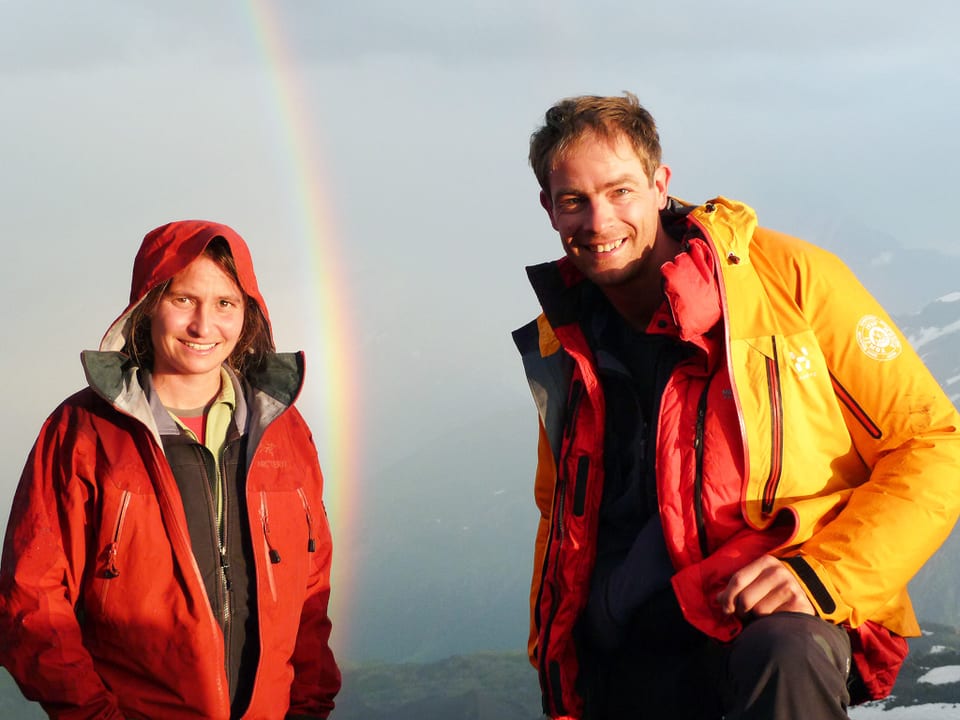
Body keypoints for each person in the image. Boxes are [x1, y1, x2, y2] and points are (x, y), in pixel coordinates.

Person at [512, 93, 960, 720]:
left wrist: (824, 576)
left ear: (659, 183)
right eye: (573, 201)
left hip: (777, 616)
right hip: (633, 642)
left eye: (620, 192)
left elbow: (935, 444)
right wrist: (565, 639)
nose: (598, 220)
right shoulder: (563, 336)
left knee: (785, 651)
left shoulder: (791, 282)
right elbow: (560, 507)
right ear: (548, 209)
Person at [0, 221, 341, 719]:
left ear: (248, 315)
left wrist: (308, 708)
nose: (204, 326)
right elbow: (32, 602)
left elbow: (311, 589)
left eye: (226, 304)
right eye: (183, 300)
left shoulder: (285, 434)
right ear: (147, 306)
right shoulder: (84, 432)